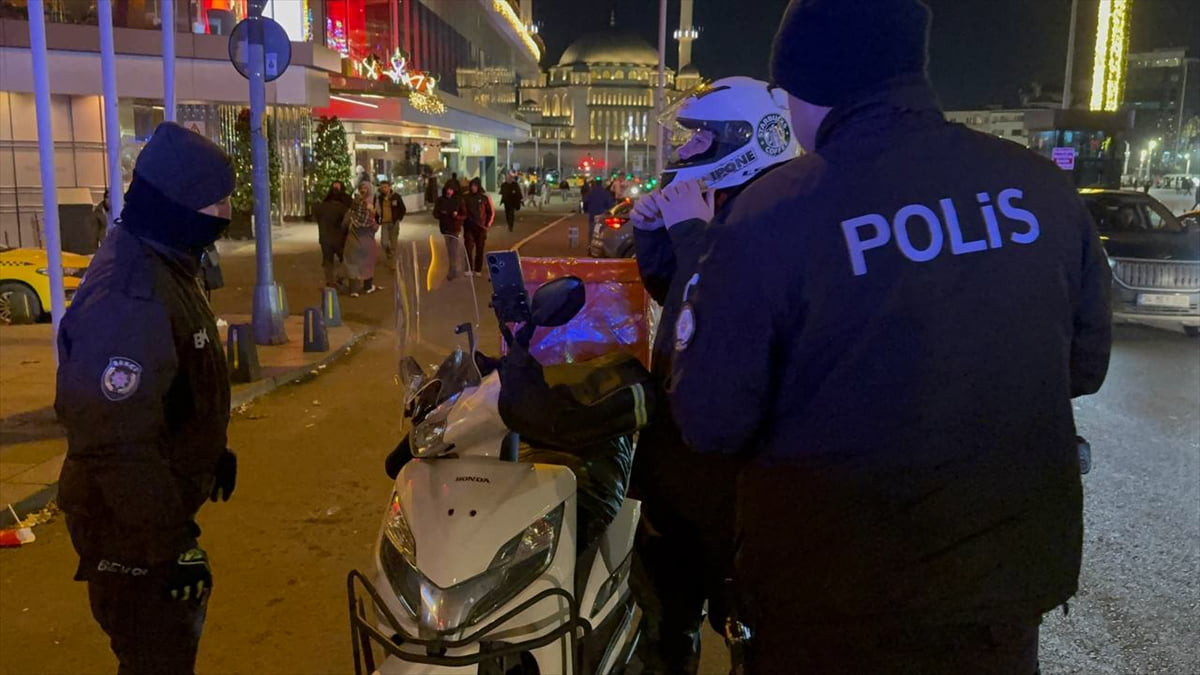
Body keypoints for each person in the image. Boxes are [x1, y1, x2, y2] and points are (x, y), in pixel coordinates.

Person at [647, 1, 1113, 672]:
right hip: (998, 600)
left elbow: (712, 417)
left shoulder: (777, 213)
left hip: (831, 601)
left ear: (810, 87)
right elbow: (1084, 364)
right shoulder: (1039, 189)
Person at [626, 76, 801, 674]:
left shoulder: (780, 213)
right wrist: (654, 230)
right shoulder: (721, 200)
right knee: (667, 624)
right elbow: (678, 304)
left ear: (748, 139)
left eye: (703, 137)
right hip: (682, 469)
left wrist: (690, 232)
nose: (691, 148)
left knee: (750, 633)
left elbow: (723, 316)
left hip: (740, 485)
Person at [55, 121, 239, 675]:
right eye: (216, 202)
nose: (225, 213)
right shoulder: (130, 295)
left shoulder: (164, 258)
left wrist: (208, 450)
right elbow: (115, 442)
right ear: (177, 202)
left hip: (144, 519)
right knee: (155, 658)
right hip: (130, 534)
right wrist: (171, 544)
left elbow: (169, 384)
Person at [343, 181, 380, 297]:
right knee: (368, 264)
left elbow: (344, 223)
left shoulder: (354, 208)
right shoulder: (371, 211)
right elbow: (375, 227)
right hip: (367, 243)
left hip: (353, 242)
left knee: (352, 264)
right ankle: (368, 286)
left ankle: (354, 290)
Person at [313, 183, 351, 288]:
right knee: (345, 259)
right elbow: (346, 223)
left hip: (324, 238)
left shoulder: (321, 207)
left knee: (327, 261)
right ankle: (340, 277)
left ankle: (330, 282)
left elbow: (316, 218)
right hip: (339, 239)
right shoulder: (342, 208)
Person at [433, 184, 468, 279]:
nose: (449, 191)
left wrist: (457, 217)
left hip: (455, 229)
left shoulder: (458, 200)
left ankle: (453, 270)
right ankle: (453, 268)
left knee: (453, 250)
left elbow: (464, 214)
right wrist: (442, 214)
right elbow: (435, 213)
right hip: (445, 229)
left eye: (451, 189)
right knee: (450, 250)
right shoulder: (441, 200)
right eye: (448, 189)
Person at [462, 177, 495, 276]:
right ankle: (468, 268)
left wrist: (487, 224)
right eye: (472, 186)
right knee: (468, 248)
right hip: (469, 227)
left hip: (481, 228)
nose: (473, 188)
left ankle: (478, 269)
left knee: (480, 249)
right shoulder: (466, 198)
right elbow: (462, 210)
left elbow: (490, 212)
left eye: (475, 186)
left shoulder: (484, 198)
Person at [376, 180, 407, 261]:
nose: (383, 189)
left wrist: (399, 218)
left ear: (389, 187)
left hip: (394, 222)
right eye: (382, 187)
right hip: (384, 223)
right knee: (384, 242)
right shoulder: (379, 198)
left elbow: (403, 209)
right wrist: (377, 219)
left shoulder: (396, 196)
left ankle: (391, 261)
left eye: (385, 187)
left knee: (393, 243)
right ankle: (388, 252)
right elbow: (377, 209)